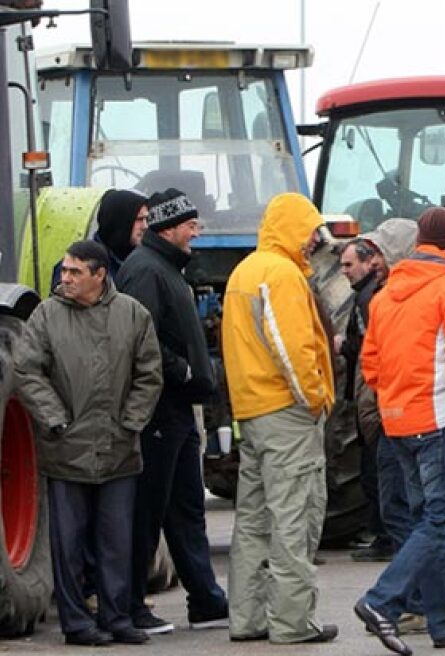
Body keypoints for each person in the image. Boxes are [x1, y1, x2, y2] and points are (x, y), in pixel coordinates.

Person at [15, 240, 163, 646]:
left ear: (100, 275)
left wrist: (131, 422)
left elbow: (150, 374)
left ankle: (117, 618)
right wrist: (56, 421)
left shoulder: (132, 315)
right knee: (69, 544)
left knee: (117, 541)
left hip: (119, 449)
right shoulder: (46, 316)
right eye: (64, 270)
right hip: (66, 449)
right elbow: (26, 370)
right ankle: (77, 624)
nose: (65, 278)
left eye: (75, 272)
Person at [354, 207, 445, 653]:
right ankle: (382, 601)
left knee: (425, 523)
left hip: (399, 421)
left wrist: (395, 399)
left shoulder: (386, 294)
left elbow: (370, 363)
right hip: (441, 420)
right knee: (442, 522)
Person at [222, 193, 337, 644]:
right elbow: (293, 350)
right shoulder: (282, 275)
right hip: (286, 413)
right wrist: (315, 400)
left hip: (251, 412)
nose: (314, 240)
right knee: (295, 516)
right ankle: (292, 622)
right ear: (292, 227)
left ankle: (246, 618)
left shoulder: (244, 273)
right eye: (310, 230)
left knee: (252, 518)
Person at [114, 189, 229, 634]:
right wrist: (181, 371)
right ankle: (129, 605)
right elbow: (139, 339)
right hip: (158, 410)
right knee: (148, 509)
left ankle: (205, 601)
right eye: (191, 225)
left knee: (186, 509)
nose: (197, 233)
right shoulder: (146, 271)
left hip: (178, 410)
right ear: (170, 226)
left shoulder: (167, 269)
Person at [337, 235, 397, 563]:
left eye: (349, 264)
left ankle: (385, 535)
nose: (344, 271)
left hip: (374, 395)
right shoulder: (367, 296)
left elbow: (369, 351)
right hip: (372, 394)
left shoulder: (370, 300)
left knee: (376, 466)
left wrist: (343, 346)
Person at [51, 189, 148, 287]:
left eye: (146, 219)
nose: (145, 226)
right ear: (120, 221)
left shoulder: (143, 261)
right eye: (139, 219)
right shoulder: (77, 264)